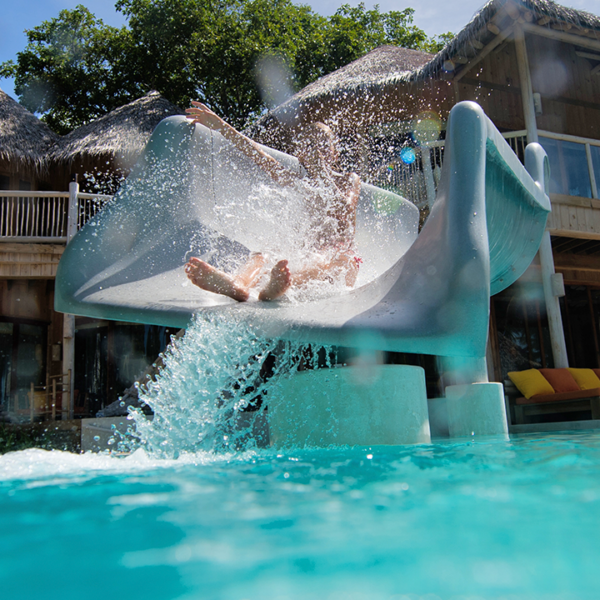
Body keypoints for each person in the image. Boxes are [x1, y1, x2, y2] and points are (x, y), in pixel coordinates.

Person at [184, 101, 361, 301]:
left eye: (323, 145)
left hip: (340, 260)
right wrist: (220, 125)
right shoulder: (297, 182)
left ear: (335, 153)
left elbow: (344, 209)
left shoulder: (348, 179)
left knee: (333, 262)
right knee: (263, 254)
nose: (316, 151)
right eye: (311, 145)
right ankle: (240, 284)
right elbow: (257, 154)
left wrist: (319, 169)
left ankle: (277, 286)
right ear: (300, 154)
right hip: (308, 258)